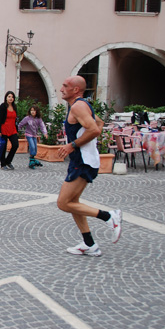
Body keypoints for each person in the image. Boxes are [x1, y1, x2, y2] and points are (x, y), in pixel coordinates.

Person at [57, 76, 122, 257]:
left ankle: (109, 217)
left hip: (83, 162)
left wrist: (73, 145)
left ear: (76, 90)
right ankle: (89, 244)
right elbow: (98, 123)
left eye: (65, 85)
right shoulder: (80, 105)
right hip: (83, 160)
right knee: (73, 203)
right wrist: (87, 145)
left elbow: (94, 129)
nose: (61, 89)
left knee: (63, 203)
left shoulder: (78, 106)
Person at [18, 104, 48, 169]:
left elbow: (42, 126)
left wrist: (45, 133)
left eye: (34, 110)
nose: (32, 112)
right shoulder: (27, 118)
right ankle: (31, 161)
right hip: (28, 134)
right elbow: (21, 124)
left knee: (35, 148)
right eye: (31, 110)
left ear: (37, 111)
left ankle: (33, 160)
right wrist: (17, 130)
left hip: (34, 135)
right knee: (32, 146)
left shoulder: (39, 119)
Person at [0, 91, 19, 170]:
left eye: (12, 97)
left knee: (15, 145)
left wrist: (17, 129)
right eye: (9, 96)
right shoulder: (3, 106)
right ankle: (3, 164)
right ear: (6, 97)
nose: (11, 98)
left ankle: (8, 161)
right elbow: (0, 119)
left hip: (12, 129)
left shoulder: (14, 107)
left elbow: (16, 119)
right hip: (4, 128)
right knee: (3, 147)